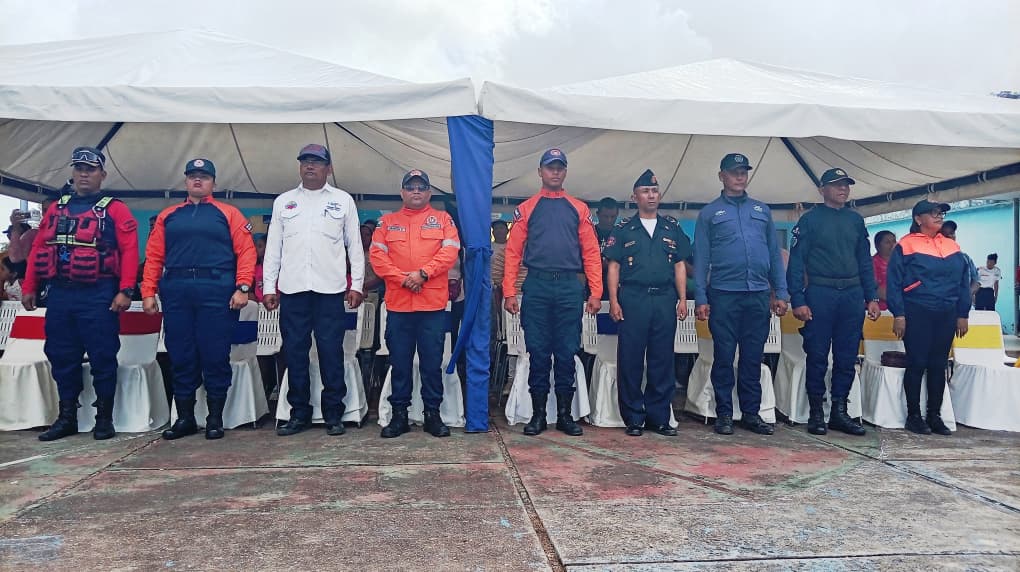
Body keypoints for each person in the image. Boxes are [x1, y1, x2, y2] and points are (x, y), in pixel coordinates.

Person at [22, 146, 139, 441]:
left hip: (98, 293)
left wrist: (126, 289)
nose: (84, 174)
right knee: (61, 356)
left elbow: (129, 251)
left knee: (102, 355)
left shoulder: (115, 208)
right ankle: (67, 417)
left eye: (90, 169)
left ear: (102, 174)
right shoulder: (57, 207)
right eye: (79, 169)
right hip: (60, 293)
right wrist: (29, 286)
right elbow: (39, 248)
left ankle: (104, 418)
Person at [142, 158, 256, 441]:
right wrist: (147, 292)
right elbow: (154, 256)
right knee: (180, 354)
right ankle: (185, 418)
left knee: (215, 353)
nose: (197, 181)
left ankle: (215, 418)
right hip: (177, 288)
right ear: (185, 182)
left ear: (213, 183)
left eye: (204, 177)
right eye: (192, 176)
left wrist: (243, 287)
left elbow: (246, 252)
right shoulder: (169, 215)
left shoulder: (228, 213)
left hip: (216, 288)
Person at [263, 144, 365, 437]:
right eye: (305, 162)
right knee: (294, 353)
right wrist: (269, 286)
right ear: (299, 167)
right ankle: (299, 413)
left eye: (317, 162)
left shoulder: (343, 201)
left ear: (328, 168)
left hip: (329, 290)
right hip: (293, 290)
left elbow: (354, 247)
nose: (310, 166)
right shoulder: (284, 202)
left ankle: (334, 413)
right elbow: (273, 249)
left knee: (330, 351)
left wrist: (355, 284)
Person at [502, 148, 602, 437]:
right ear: (540, 172)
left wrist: (595, 291)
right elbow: (512, 252)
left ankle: (565, 415)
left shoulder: (579, 208)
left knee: (567, 350)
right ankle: (537, 416)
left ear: (565, 172)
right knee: (539, 351)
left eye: (560, 167)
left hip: (570, 286)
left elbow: (591, 253)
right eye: (550, 167)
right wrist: (509, 291)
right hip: (538, 284)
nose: (555, 172)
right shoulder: (527, 208)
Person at [693, 153, 788, 436]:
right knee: (723, 356)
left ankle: (751, 413)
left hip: (758, 293)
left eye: (744, 171)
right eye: (734, 172)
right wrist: (701, 298)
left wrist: (780, 292)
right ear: (721, 175)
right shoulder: (710, 213)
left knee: (752, 357)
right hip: (723, 294)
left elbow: (773, 252)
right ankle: (723, 413)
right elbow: (701, 259)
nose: (740, 176)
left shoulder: (762, 210)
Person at [787, 168, 881, 436]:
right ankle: (817, 411)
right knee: (817, 355)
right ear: (822, 189)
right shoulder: (809, 221)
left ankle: (840, 411)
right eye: (837, 185)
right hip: (820, 292)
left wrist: (871, 296)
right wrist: (798, 299)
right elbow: (796, 263)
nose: (843, 189)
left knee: (847, 355)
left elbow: (865, 261)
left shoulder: (855, 220)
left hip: (851, 294)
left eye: (846, 185)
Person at [370, 169, 461, 438]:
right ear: (402, 193)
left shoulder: (443, 219)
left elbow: (450, 252)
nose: (416, 191)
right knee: (399, 363)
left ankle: (432, 414)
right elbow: (377, 258)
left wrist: (423, 274)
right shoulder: (387, 222)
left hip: (432, 306)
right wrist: (403, 279)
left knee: (432, 364)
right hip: (399, 306)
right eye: (411, 187)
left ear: (430, 192)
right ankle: (399, 416)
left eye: (422, 187)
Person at [605, 169, 691, 437]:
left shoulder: (671, 227)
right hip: (633, 298)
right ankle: (633, 417)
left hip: (665, 298)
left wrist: (683, 299)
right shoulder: (623, 230)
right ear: (634, 197)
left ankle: (659, 417)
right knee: (630, 359)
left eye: (654, 191)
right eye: (645, 191)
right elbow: (614, 267)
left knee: (662, 359)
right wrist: (614, 301)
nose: (651, 195)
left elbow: (679, 266)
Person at [887, 200, 971, 435]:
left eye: (941, 212)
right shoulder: (906, 245)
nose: (939, 216)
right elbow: (894, 282)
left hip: (947, 311)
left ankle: (934, 415)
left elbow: (963, 282)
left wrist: (962, 313)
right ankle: (914, 416)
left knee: (938, 364)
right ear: (918, 219)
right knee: (917, 362)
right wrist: (899, 314)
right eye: (933, 213)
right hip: (917, 309)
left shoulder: (952, 246)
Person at [938, 221, 980, 300]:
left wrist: (967, 295)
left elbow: (976, 280)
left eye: (952, 233)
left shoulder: (965, 258)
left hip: (963, 308)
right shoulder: (933, 258)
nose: (951, 236)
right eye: (946, 235)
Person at [595, 197, 620, 300]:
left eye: (613, 216)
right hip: (593, 286)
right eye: (605, 216)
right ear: (597, 214)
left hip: (616, 288)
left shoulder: (621, 235)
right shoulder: (589, 233)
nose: (609, 220)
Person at [872, 230, 896, 311]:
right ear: (877, 246)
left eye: (894, 241)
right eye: (887, 242)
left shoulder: (901, 261)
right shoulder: (871, 264)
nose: (893, 245)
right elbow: (875, 289)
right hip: (882, 311)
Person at [252, 233, 267, 302]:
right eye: (253, 246)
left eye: (260, 246)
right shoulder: (254, 268)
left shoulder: (275, 268)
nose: (256, 249)